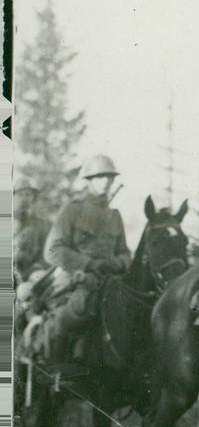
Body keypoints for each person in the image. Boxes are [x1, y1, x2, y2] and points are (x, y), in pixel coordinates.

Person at [41, 154, 130, 363]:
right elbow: (52, 250)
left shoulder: (114, 215)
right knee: (74, 312)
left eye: (109, 178)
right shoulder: (73, 209)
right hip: (77, 280)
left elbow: (125, 253)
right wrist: (87, 263)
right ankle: (56, 372)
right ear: (89, 180)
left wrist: (115, 263)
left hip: (110, 281)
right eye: (100, 177)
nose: (106, 182)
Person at [14, 184, 51, 283]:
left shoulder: (44, 226)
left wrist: (37, 269)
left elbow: (50, 253)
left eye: (28, 195)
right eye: (20, 195)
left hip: (31, 277)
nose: (24, 199)